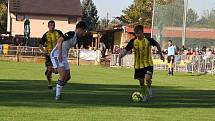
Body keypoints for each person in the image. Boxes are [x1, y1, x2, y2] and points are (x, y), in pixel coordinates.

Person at [119, 25, 164, 102]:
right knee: (141, 82)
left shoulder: (148, 40)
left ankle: (149, 87)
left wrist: (161, 54)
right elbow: (126, 50)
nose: (137, 35)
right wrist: (121, 55)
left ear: (142, 32)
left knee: (147, 77)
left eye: (139, 33)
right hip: (138, 65)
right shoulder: (133, 41)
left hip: (148, 63)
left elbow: (157, 44)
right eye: (136, 33)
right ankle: (144, 95)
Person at [50, 21, 87, 100]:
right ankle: (58, 96)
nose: (83, 34)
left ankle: (56, 87)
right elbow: (59, 41)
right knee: (63, 74)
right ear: (79, 29)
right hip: (56, 54)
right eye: (83, 31)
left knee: (68, 76)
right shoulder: (71, 34)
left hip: (63, 56)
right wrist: (59, 53)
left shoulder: (76, 39)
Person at [39, 20, 64, 89]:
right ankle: (49, 83)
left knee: (57, 71)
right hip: (49, 55)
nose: (52, 27)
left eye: (53, 25)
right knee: (50, 70)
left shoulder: (59, 33)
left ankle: (49, 70)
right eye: (50, 25)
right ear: (48, 26)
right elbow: (40, 45)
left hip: (57, 55)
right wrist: (44, 51)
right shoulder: (46, 34)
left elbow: (64, 40)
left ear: (54, 26)